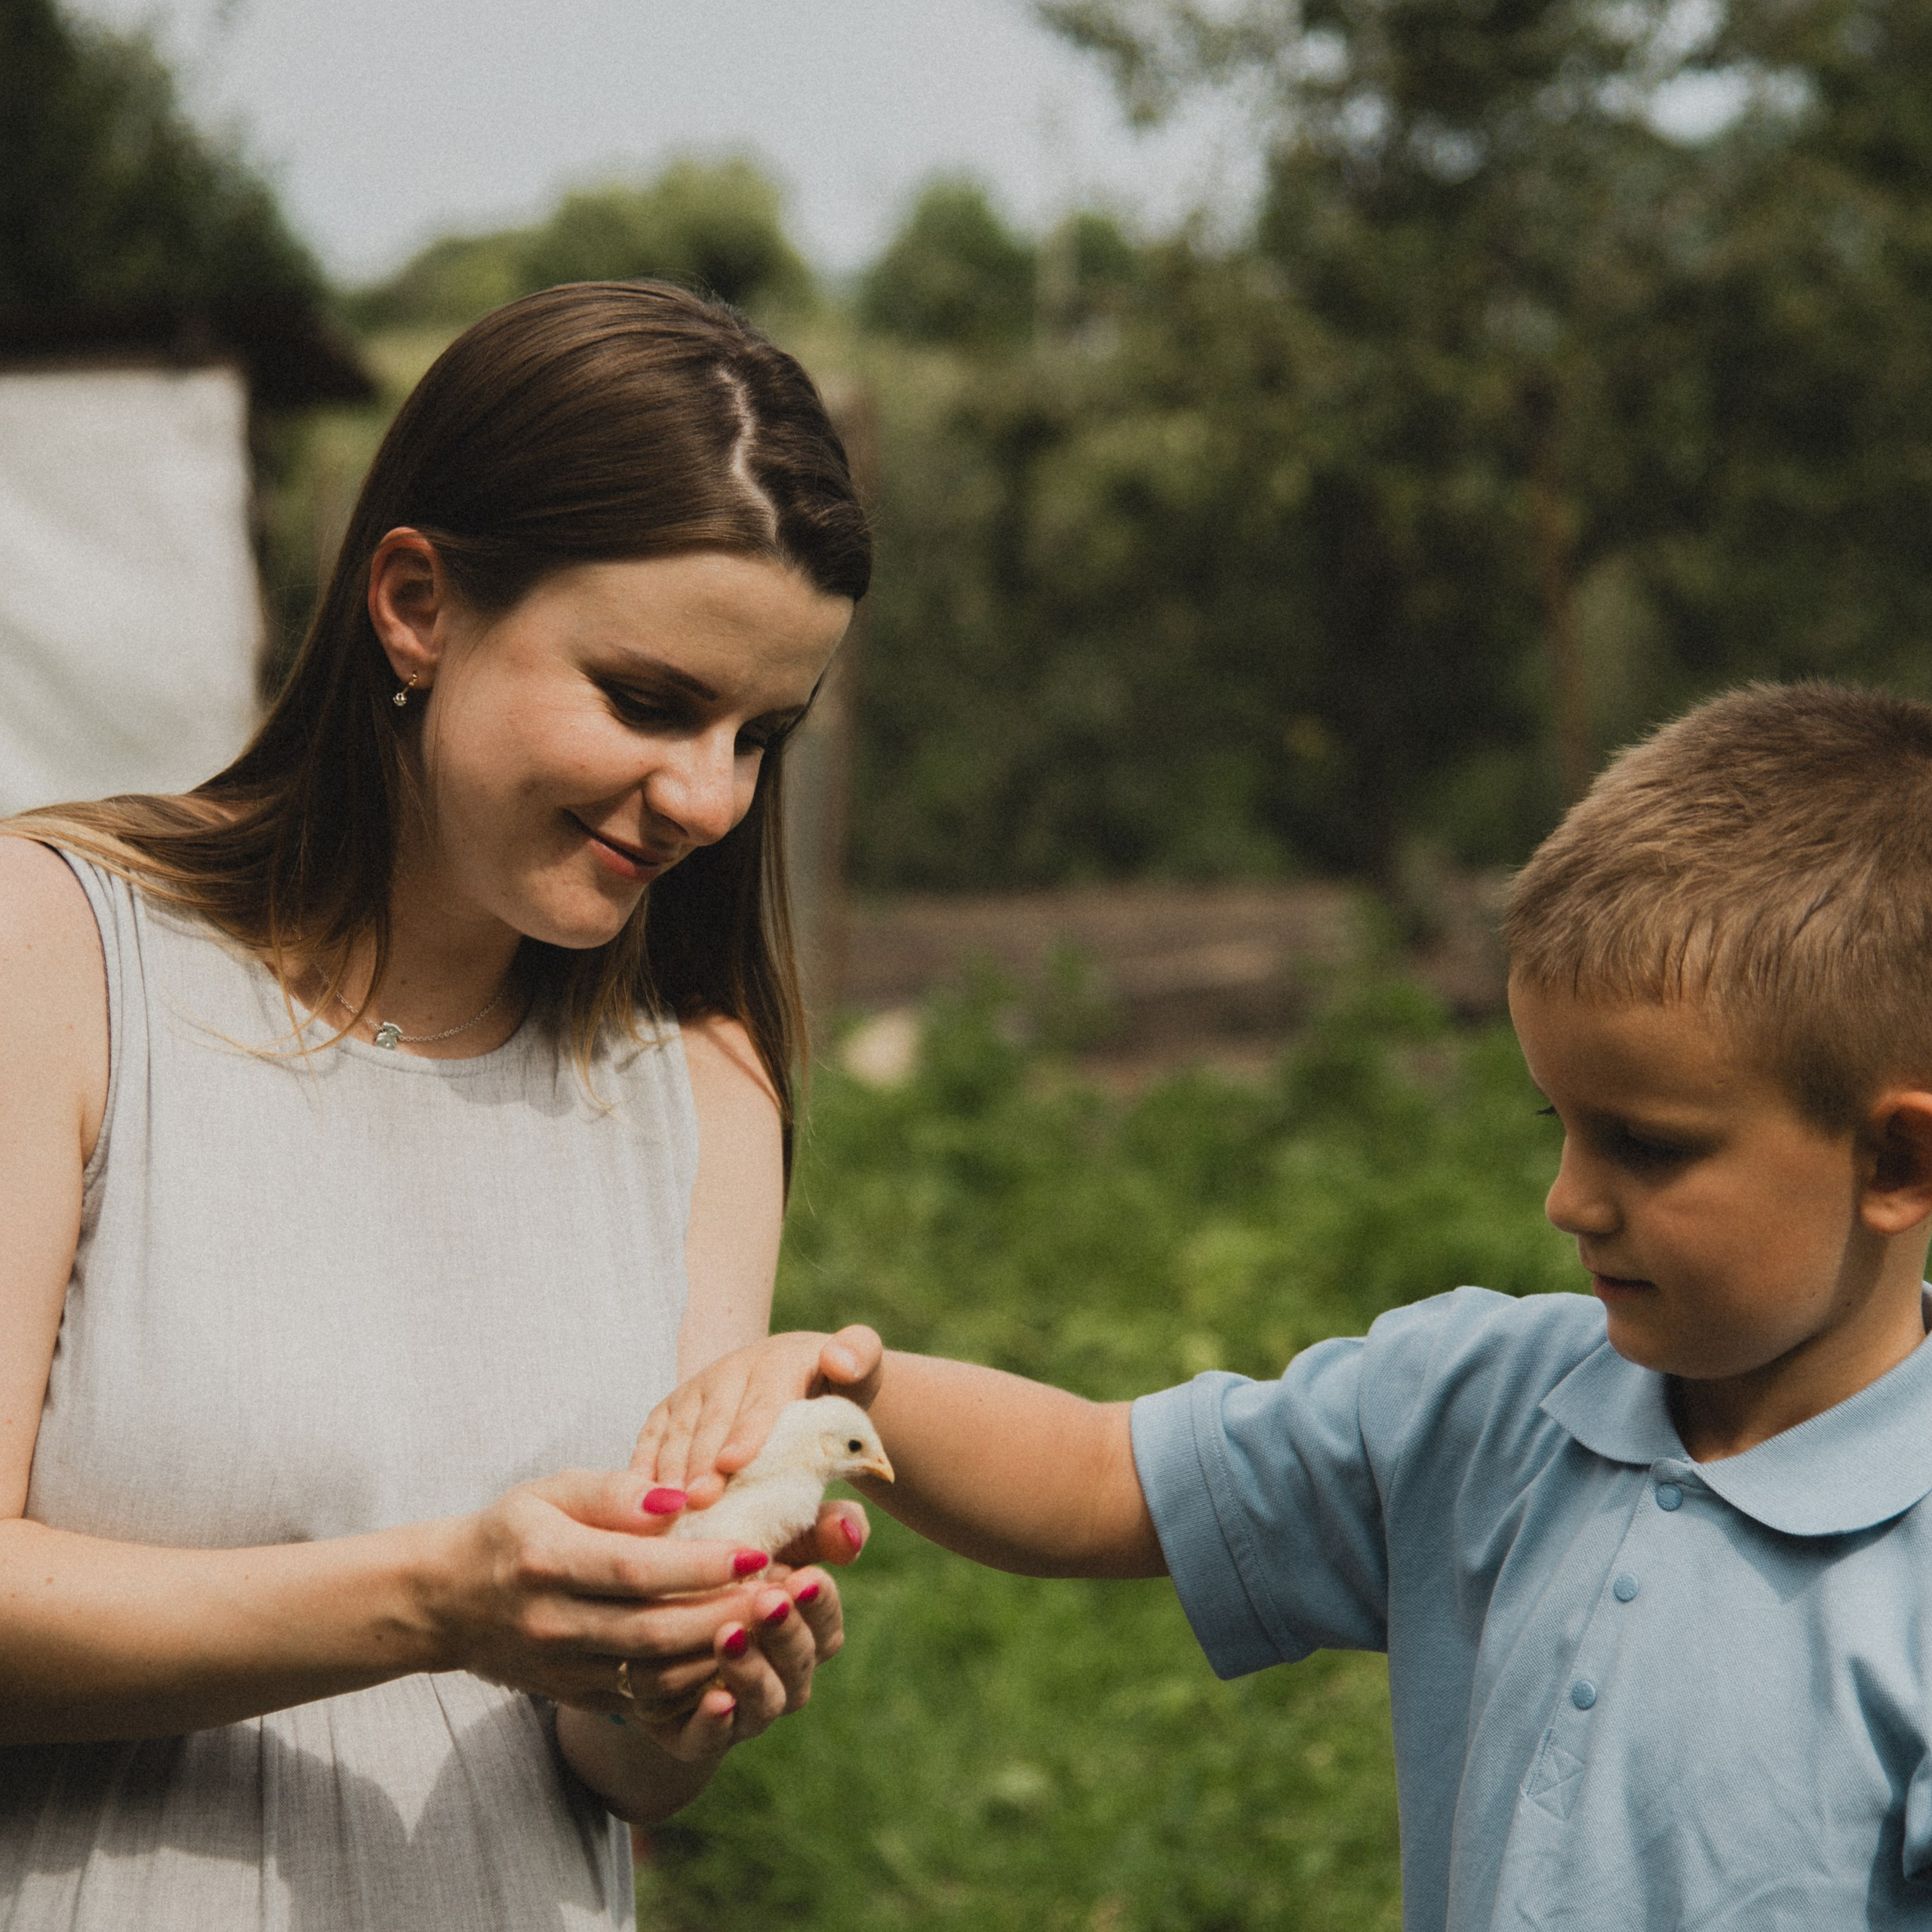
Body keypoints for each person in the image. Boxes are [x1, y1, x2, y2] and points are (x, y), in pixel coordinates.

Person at [645, 681, 1932, 1929]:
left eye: (1646, 1146)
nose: (1569, 1198)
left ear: (1897, 1164)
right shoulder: (1479, 1407)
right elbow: (1101, 1472)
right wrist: (841, 1391)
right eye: (1560, 1124)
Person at [0, 280, 872, 1930]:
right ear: (415, 603)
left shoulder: (700, 1089)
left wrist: (672, 1684)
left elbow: (603, 1770)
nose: (708, 795)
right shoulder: (53, 952)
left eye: (762, 734)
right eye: (647, 698)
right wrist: (441, 1597)